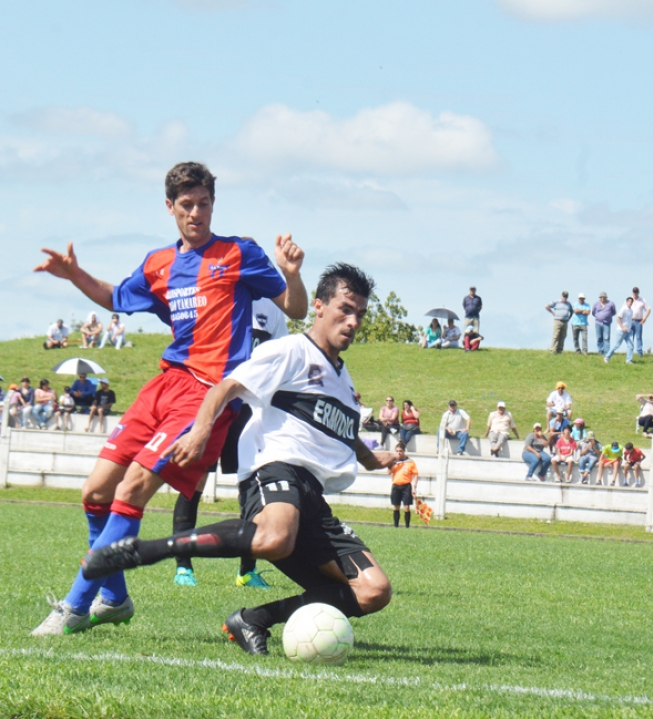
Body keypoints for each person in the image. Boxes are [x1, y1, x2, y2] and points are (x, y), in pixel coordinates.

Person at [32, 161, 307, 637]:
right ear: (170, 207)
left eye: (204, 204)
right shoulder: (158, 263)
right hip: (165, 384)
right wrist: (76, 275)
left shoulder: (238, 253)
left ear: (213, 205)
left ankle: (74, 606)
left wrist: (291, 274)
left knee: (131, 490)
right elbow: (117, 296)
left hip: (208, 394)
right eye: (186, 205)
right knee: (95, 492)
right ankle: (114, 599)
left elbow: (296, 308)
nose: (196, 213)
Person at [80, 263, 395, 657]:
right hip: (275, 469)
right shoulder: (289, 350)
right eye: (344, 309)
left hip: (313, 498)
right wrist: (199, 430)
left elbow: (347, 436)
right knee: (275, 537)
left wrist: (375, 459)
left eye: (360, 314)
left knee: (374, 591)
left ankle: (253, 620)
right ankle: (149, 550)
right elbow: (225, 388)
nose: (352, 322)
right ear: (319, 306)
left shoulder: (344, 384)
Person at [172, 296, 291, 589]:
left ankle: (247, 571)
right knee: (194, 482)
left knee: (252, 488)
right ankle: (183, 567)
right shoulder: (218, 296)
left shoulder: (272, 308)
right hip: (213, 402)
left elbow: (281, 359)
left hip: (250, 409)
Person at [389, 441, 418, 528]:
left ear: (404, 451)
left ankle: (407, 526)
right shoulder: (394, 461)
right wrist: (393, 465)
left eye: (400, 451)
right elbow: (388, 472)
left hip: (406, 486)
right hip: (396, 485)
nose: (398, 453)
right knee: (396, 506)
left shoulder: (410, 462)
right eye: (397, 451)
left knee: (406, 507)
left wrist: (414, 487)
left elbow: (415, 474)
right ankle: (396, 526)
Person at [604, 297, 635, 364]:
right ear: (626, 302)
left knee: (630, 346)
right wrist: (623, 327)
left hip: (628, 331)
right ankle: (606, 358)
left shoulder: (631, 311)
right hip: (621, 330)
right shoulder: (623, 309)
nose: (630, 303)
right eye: (629, 301)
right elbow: (618, 319)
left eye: (631, 302)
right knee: (616, 345)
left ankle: (629, 360)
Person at [591, 292, 615, 357]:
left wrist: (607, 316)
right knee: (599, 337)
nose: (602, 299)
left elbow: (613, 312)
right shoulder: (596, 304)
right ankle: (600, 351)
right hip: (598, 323)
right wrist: (599, 317)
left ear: (606, 298)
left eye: (604, 297)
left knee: (606, 337)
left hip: (607, 323)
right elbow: (593, 312)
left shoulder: (611, 304)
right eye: (601, 297)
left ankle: (607, 352)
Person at [630, 287, 652, 358]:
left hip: (638, 321)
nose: (635, 293)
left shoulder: (642, 300)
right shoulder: (629, 300)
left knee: (638, 337)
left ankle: (639, 353)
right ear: (632, 292)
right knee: (630, 337)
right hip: (630, 320)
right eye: (634, 292)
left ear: (638, 293)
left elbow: (648, 309)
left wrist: (645, 318)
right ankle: (629, 352)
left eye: (636, 292)